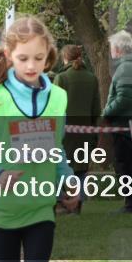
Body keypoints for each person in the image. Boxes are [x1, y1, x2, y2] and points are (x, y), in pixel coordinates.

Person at [0, 16, 78, 262]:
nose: (31, 65)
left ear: (48, 54)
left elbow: (55, 146)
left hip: (40, 206)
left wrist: (68, 180)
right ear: (8, 55)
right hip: (1, 210)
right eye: (23, 58)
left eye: (38, 57)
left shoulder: (58, 98)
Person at [102, 31, 132, 214]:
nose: (111, 51)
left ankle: (131, 204)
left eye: (112, 47)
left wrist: (106, 111)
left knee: (124, 165)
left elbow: (124, 98)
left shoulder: (124, 68)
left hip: (124, 126)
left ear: (118, 49)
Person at [53, 45, 100, 214]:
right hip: (85, 130)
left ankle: (60, 202)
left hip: (64, 130)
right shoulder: (92, 78)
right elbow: (96, 109)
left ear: (64, 58)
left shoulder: (61, 78)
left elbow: (55, 107)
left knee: (59, 164)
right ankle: (77, 203)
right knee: (81, 168)